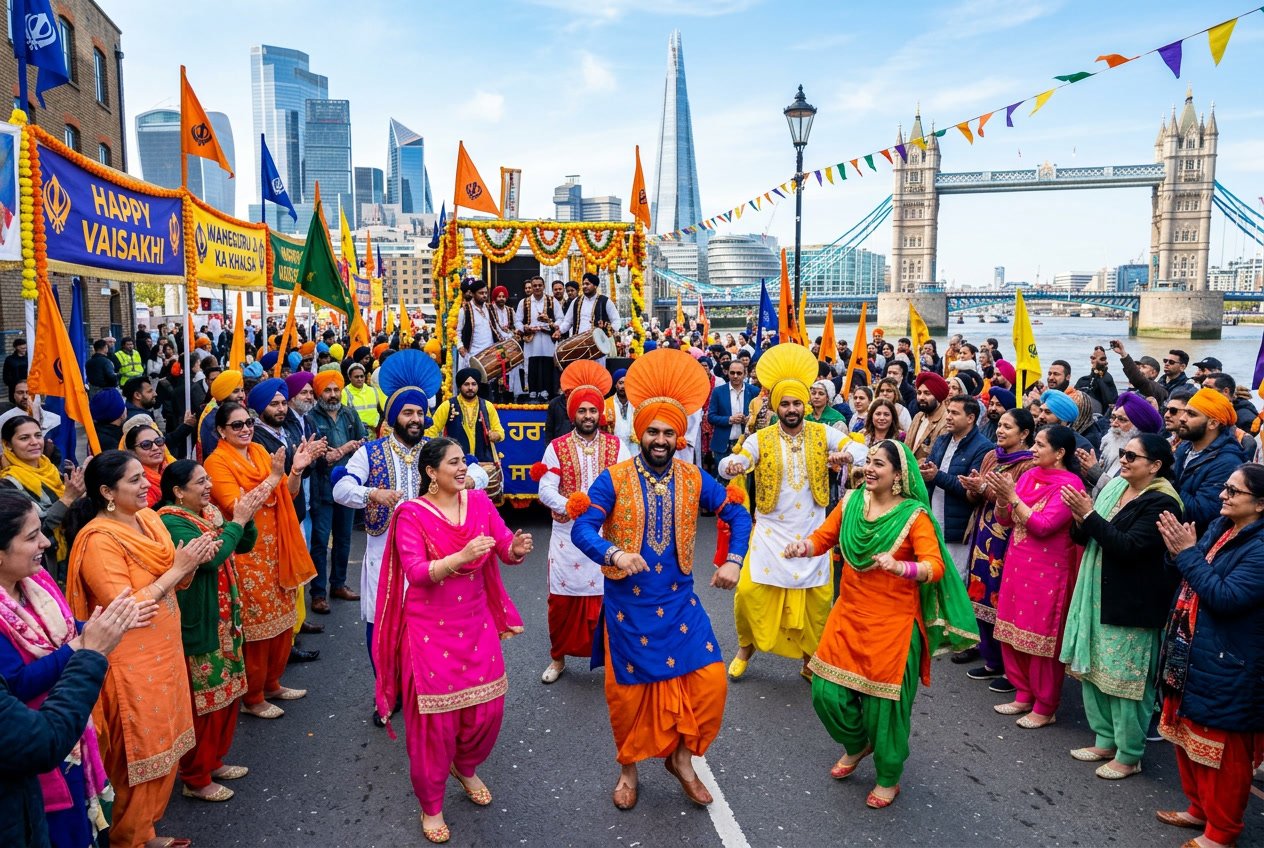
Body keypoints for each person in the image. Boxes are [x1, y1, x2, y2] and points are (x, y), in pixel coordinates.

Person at [570, 348, 752, 812]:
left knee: (711, 684)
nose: (660, 439)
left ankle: (683, 761)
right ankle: (628, 770)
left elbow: (735, 510)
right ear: (639, 432)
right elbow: (582, 527)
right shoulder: (612, 479)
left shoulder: (693, 478)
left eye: (669, 432)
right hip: (628, 608)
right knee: (628, 699)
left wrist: (734, 558)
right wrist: (614, 552)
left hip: (678, 605)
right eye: (652, 430)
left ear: (679, 437)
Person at [786, 439, 978, 809]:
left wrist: (899, 566)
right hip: (849, 614)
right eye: (869, 461)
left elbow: (934, 566)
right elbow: (823, 538)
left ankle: (888, 776)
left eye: (880, 464)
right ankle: (858, 745)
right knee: (825, 692)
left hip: (894, 625)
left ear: (898, 474)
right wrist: (803, 547)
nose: (870, 469)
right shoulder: (851, 501)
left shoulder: (913, 515)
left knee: (884, 708)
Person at [373, 438, 533, 844]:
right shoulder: (411, 514)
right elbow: (415, 571)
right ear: (431, 472)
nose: (463, 468)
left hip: (476, 621)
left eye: (464, 462)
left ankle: (464, 765)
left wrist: (515, 549)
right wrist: (461, 557)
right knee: (435, 725)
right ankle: (431, 806)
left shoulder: (478, 502)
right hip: (429, 629)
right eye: (454, 462)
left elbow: (501, 545)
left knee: (487, 711)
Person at [64, 450, 220, 848]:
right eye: (134, 480)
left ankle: (145, 829)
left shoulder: (149, 519)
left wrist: (186, 565)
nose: (145, 485)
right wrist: (179, 569)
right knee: (139, 753)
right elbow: (125, 608)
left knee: (168, 744)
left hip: (166, 647)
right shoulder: (99, 540)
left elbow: (174, 576)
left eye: (142, 477)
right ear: (106, 492)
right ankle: (127, 837)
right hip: (129, 659)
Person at [0, 488, 155, 848]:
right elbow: (16, 683)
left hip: (68, 728)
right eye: (31, 536)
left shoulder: (34, 582)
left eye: (41, 531)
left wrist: (108, 625)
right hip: (31, 751)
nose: (46, 543)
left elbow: (64, 630)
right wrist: (81, 649)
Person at [718, 344, 850, 680]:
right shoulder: (760, 438)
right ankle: (745, 648)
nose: (791, 409)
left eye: (796, 403)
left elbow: (858, 448)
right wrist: (734, 464)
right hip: (770, 531)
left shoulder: (824, 433)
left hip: (811, 532)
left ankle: (809, 659)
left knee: (815, 604)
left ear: (805, 405)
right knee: (749, 593)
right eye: (785, 404)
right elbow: (733, 462)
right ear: (776, 407)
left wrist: (848, 456)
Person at [333, 351, 454, 717]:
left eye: (419, 413)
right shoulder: (370, 453)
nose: (415, 419)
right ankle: (387, 693)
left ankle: (422, 688)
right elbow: (340, 489)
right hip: (383, 558)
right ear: (393, 417)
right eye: (407, 413)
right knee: (382, 628)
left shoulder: (435, 452)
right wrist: (372, 493)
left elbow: (469, 474)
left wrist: (471, 476)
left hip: (429, 558)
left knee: (429, 628)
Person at [1058, 433, 1181, 781]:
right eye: (1124, 454)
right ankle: (1104, 740)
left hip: (1132, 604)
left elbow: (1130, 548)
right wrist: (1080, 517)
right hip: (1097, 594)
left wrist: (1089, 515)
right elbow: (1085, 537)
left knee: (1126, 681)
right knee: (1095, 671)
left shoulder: (1163, 502)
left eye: (1133, 456)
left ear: (1155, 466)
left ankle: (1129, 754)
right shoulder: (1114, 489)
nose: (1124, 460)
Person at [1154, 463, 1264, 848]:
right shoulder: (1223, 526)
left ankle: (1222, 832)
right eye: (1226, 488)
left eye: (1234, 492)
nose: (1223, 496)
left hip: (1230, 661)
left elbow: (1226, 597)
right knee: (1187, 738)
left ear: (1261, 505)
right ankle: (1198, 810)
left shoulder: (1260, 547)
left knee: (1222, 753)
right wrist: (1178, 553)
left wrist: (1186, 555)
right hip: (1192, 648)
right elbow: (1191, 570)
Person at [158, 459, 265, 803]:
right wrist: (236, 522)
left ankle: (214, 761)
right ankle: (196, 777)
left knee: (227, 694)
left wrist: (242, 521)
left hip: (223, 620)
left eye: (208, 480)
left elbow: (241, 545)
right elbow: (213, 558)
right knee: (205, 704)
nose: (208, 486)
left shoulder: (208, 514)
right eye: (200, 482)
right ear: (178, 492)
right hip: (201, 624)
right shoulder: (172, 522)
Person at [204, 403, 319, 720]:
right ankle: (253, 697)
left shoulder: (258, 452)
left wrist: (295, 471)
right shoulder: (216, 463)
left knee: (283, 622)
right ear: (221, 431)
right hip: (246, 554)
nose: (245, 429)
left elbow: (289, 494)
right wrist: (273, 477)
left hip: (278, 548)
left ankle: (272, 683)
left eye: (248, 422)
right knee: (256, 629)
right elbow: (237, 506)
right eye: (237, 425)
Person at [534, 361, 628, 684]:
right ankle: (558, 659)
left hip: (604, 537)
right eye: (582, 411)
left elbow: (627, 483)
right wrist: (569, 506)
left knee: (609, 602)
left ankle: (612, 662)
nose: (588, 416)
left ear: (600, 414)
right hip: (566, 538)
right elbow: (544, 488)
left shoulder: (616, 446)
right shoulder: (556, 448)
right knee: (560, 603)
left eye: (593, 411)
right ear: (573, 413)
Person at [986, 426, 1085, 729]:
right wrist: (1004, 499)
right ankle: (1023, 692)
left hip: (1048, 571)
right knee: (1012, 631)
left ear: (1060, 453)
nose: (1034, 449)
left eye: (1040, 445)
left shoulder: (1070, 486)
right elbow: (1004, 519)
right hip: (1018, 565)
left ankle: (1045, 705)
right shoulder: (1029, 475)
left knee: (1041, 640)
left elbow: (1043, 525)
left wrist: (1012, 497)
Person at [958, 408, 1036, 690]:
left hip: (1007, 538)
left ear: (1024, 434)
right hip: (981, 532)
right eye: (1000, 426)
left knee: (1002, 598)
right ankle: (991, 660)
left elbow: (1019, 500)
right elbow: (975, 497)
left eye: (1008, 427)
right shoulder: (992, 455)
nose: (1000, 431)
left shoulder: (1028, 466)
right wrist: (972, 487)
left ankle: (1010, 671)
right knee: (979, 594)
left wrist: (984, 489)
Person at [306, 369, 367, 612]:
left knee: (343, 539)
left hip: (348, 486)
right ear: (319, 392)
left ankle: (338, 584)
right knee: (320, 542)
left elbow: (362, 443)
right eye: (327, 390)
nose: (333, 395)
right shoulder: (311, 418)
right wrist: (341, 450)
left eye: (336, 390)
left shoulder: (350, 414)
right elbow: (317, 455)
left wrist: (356, 447)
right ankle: (319, 593)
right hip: (323, 489)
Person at [0, 415, 84, 578]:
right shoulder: (8, 484)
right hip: (45, 562)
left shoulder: (50, 468)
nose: (34, 442)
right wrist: (66, 499)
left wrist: (82, 488)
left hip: (71, 549)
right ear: (8, 445)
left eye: (38, 435)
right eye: (24, 438)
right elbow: (35, 527)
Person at [1175, 388, 1247, 534]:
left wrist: (1166, 482)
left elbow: (1202, 513)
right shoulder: (1184, 448)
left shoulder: (1227, 462)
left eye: (1191, 414)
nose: (1182, 418)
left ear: (1213, 424)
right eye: (1185, 411)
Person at [1078, 392, 1164, 496]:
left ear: (1139, 427)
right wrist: (1087, 473)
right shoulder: (1111, 444)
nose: (1114, 424)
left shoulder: (1144, 458)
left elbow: (1124, 492)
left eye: (1122, 420)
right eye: (1113, 417)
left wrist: (1095, 472)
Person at [427, 368, 505, 464]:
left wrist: (496, 435)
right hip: (454, 462)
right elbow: (431, 430)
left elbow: (500, 431)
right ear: (460, 386)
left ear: (478, 386)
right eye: (466, 384)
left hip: (483, 462)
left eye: (474, 384)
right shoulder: (447, 405)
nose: (470, 388)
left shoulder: (487, 406)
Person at [515, 275, 559, 401]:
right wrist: (525, 328)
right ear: (531, 287)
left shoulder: (552, 301)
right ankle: (532, 390)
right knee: (531, 363)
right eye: (535, 286)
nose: (537, 288)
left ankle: (546, 390)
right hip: (531, 337)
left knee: (547, 363)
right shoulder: (524, 302)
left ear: (544, 286)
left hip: (547, 337)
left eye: (540, 285)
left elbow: (561, 318)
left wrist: (550, 322)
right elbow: (517, 321)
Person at [707, 359, 757, 463]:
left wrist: (749, 420)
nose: (735, 376)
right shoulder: (718, 391)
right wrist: (730, 419)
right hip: (723, 444)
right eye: (732, 373)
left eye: (739, 373)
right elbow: (711, 417)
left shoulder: (754, 391)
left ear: (745, 374)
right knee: (722, 477)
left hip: (746, 444)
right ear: (727, 373)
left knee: (744, 477)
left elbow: (760, 417)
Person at [198, 369, 246, 462]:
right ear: (224, 393)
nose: (242, 395)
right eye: (235, 391)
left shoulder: (231, 410)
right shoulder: (213, 420)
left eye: (242, 390)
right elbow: (214, 454)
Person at [605, 368, 638, 458]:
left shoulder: (636, 403)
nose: (623, 386)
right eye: (620, 383)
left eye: (626, 383)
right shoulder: (606, 404)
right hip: (614, 448)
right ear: (615, 385)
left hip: (633, 449)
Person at [342, 362, 381, 432]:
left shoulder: (373, 391)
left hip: (373, 431)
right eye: (356, 377)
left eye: (362, 376)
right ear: (350, 377)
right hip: (355, 432)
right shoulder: (345, 392)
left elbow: (379, 410)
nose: (360, 379)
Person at [4, 337, 27, 403]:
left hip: (27, 386)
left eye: (25, 348)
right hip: (14, 387)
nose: (24, 350)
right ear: (17, 348)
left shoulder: (28, 358)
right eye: (22, 348)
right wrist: (12, 384)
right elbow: (6, 375)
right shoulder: (10, 359)